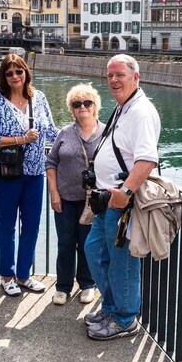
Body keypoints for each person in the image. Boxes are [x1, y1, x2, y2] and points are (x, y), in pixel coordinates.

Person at [84, 54, 161, 340]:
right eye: (110, 76)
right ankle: (112, 307)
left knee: (122, 262)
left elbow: (146, 160)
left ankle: (125, 319)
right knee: (95, 252)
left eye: (120, 75)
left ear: (136, 78)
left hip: (123, 204)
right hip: (107, 201)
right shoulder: (123, 107)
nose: (114, 80)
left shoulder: (141, 111)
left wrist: (125, 193)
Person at [0, 53, 58, 297]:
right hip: (6, 173)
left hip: (35, 172)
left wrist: (83, 135)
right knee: (7, 225)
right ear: (4, 76)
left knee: (32, 225)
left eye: (18, 71)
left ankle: (24, 275)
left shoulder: (39, 98)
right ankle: (7, 275)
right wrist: (21, 139)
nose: (15, 76)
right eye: (9, 72)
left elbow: (52, 131)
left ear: (26, 72)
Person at [45, 84, 104, 306]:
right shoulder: (65, 133)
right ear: (72, 108)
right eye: (77, 104)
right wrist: (54, 192)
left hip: (94, 201)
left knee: (88, 243)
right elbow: (51, 163)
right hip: (65, 199)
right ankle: (63, 286)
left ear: (95, 106)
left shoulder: (106, 133)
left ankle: (88, 284)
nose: (82, 107)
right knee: (66, 242)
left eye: (87, 103)